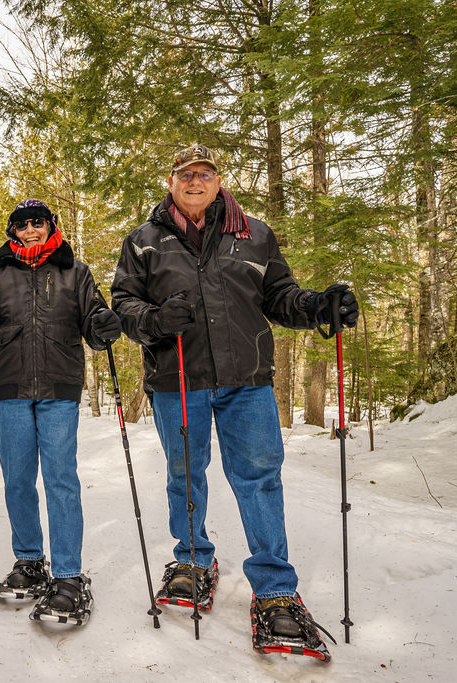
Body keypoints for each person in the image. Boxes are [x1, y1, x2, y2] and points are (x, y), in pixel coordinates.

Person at [111, 144, 358, 650]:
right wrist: (153, 321)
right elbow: (123, 304)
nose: (195, 181)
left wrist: (317, 307)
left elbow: (280, 296)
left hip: (247, 380)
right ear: (172, 180)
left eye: (205, 173)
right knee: (185, 472)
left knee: (259, 478)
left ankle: (274, 589)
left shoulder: (254, 233)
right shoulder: (144, 241)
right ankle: (193, 559)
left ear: (219, 180)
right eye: (186, 173)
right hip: (178, 378)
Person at [0, 199, 121, 624]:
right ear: (13, 231)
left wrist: (104, 325)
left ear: (51, 226)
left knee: (60, 479)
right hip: (8, 387)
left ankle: (68, 575)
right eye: (22, 224)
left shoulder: (77, 272)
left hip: (58, 387)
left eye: (38, 222)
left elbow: (94, 324)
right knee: (17, 480)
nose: (30, 229)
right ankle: (30, 561)